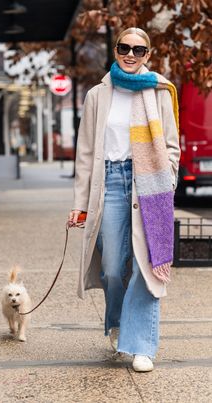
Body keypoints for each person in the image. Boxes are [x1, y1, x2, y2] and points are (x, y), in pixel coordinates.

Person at [69, 27, 180, 372]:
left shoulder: (159, 90)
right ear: (115, 50)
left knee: (146, 268)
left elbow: (172, 145)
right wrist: (80, 202)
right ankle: (117, 322)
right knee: (112, 268)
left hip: (148, 185)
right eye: (124, 48)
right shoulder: (97, 95)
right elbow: (86, 153)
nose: (130, 54)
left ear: (148, 54)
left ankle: (141, 345)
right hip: (111, 183)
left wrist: (167, 178)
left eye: (138, 50)